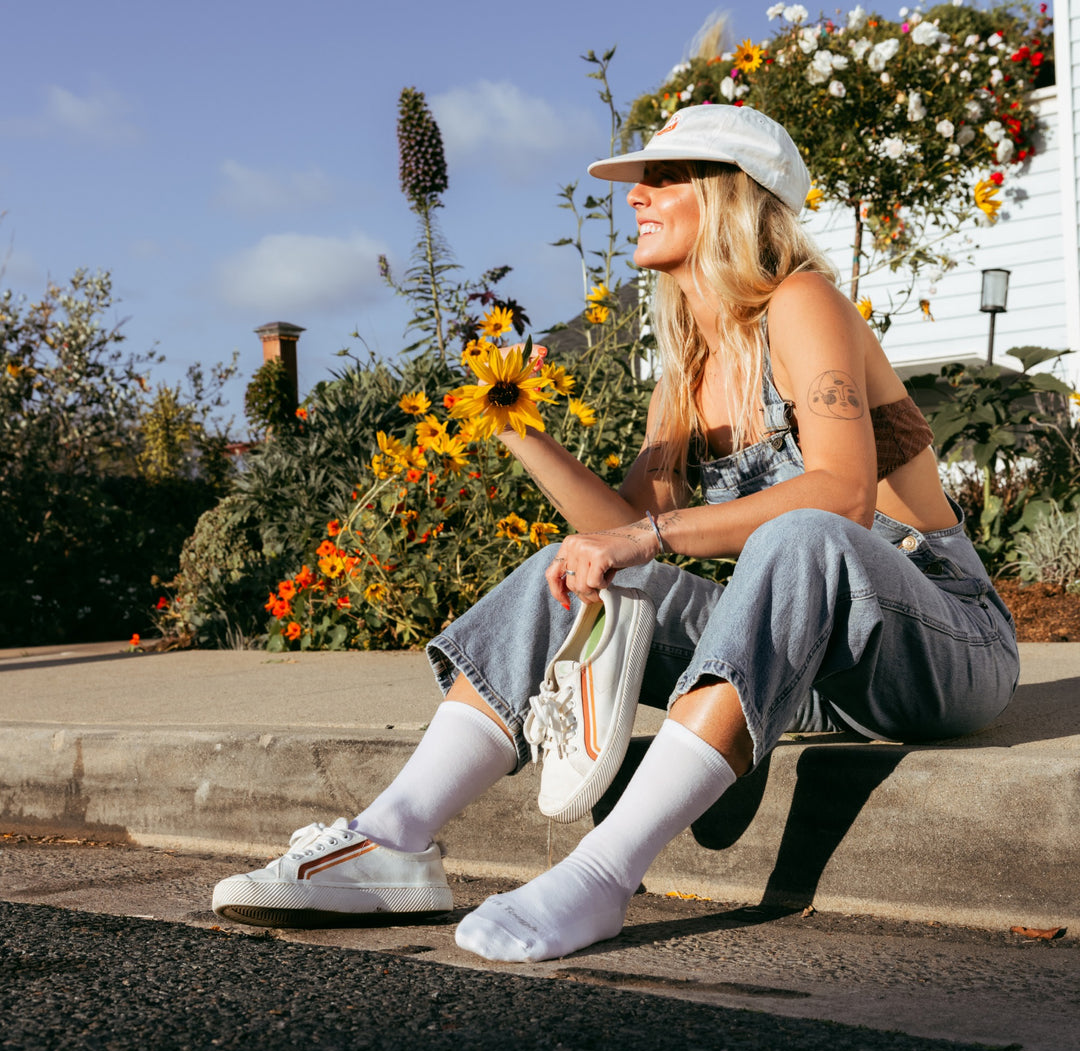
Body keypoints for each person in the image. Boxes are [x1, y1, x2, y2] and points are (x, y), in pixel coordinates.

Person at [213, 104, 1019, 962]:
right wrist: (516, 427)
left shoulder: (800, 300)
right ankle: (390, 841)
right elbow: (621, 532)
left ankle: (602, 874)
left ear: (732, 196)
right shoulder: (691, 365)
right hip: (808, 662)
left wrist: (652, 538)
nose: (636, 196)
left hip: (940, 639)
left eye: (664, 178)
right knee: (560, 572)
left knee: (803, 536)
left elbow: (846, 494)